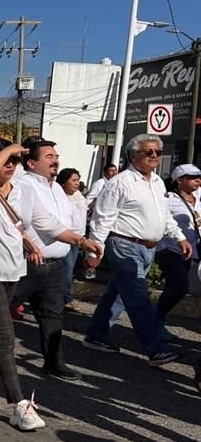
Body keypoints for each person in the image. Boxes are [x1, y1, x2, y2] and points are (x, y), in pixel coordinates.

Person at [0, 139, 101, 429]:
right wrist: (7, 151)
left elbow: (44, 223)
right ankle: (18, 404)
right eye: (4, 161)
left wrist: (82, 241)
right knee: (3, 336)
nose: (9, 167)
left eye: (14, 162)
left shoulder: (22, 191)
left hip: (12, 271)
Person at [84, 135, 192, 366]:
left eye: (157, 152)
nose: (154, 155)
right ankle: (156, 349)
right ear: (133, 156)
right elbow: (103, 218)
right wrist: (94, 250)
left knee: (118, 293)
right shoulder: (120, 182)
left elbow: (164, 216)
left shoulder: (158, 182)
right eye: (148, 152)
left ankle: (95, 335)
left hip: (148, 248)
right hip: (124, 245)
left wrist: (180, 237)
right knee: (138, 298)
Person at [13, 137, 81, 381]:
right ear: (31, 163)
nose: (56, 160)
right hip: (29, 263)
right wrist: (80, 241)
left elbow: (66, 221)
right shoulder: (25, 185)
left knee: (52, 314)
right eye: (49, 157)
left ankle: (54, 362)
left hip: (54, 266)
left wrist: (77, 238)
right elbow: (45, 224)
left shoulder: (56, 189)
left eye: (56, 156)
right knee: (3, 307)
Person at [155, 163, 200, 333]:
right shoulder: (170, 200)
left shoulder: (199, 199)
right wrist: (161, 247)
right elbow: (161, 222)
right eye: (192, 177)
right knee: (180, 287)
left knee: (172, 287)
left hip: (192, 251)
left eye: (199, 177)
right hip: (172, 250)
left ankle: (158, 322)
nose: (198, 180)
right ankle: (157, 317)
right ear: (179, 180)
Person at [57, 168, 88, 312]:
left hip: (78, 238)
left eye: (78, 180)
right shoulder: (59, 197)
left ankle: (62, 298)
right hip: (65, 237)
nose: (77, 183)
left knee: (69, 270)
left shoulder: (79, 196)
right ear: (64, 182)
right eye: (73, 180)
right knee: (67, 270)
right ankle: (66, 299)